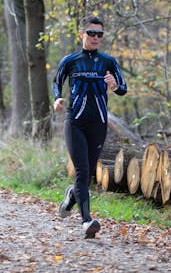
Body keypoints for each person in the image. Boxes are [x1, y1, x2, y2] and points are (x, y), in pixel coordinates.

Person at [53, 15, 127, 239]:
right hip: (75, 122)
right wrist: (56, 99)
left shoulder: (108, 61)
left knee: (88, 175)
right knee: (82, 171)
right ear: (81, 34)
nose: (96, 37)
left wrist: (114, 86)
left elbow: (123, 88)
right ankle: (87, 222)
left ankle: (71, 195)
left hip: (99, 124)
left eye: (99, 34)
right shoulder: (70, 60)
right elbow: (57, 81)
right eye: (91, 33)